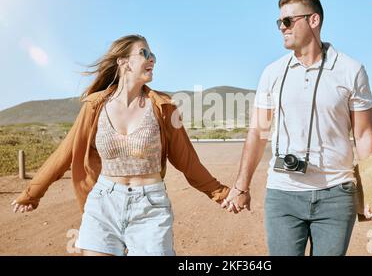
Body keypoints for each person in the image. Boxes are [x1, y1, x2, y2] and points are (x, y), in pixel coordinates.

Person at [11, 34, 230, 256]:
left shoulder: (164, 107)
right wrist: (32, 193)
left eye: (153, 54)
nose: (152, 59)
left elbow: (187, 161)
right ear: (123, 62)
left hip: (150, 207)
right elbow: (65, 152)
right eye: (144, 53)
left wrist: (220, 193)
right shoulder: (95, 106)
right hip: (103, 202)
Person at [222, 0, 372, 256]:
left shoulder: (351, 70)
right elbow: (258, 132)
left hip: (336, 193)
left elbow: (363, 134)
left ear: (314, 20)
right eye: (279, 22)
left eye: (288, 21)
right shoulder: (272, 72)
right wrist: (241, 186)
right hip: (282, 194)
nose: (282, 28)